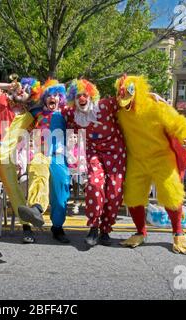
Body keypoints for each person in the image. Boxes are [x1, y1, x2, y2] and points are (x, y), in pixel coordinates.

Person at [115, 74, 186, 254]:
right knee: (133, 195)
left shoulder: (157, 107)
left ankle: (178, 233)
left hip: (162, 158)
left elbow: (178, 123)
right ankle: (140, 232)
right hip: (137, 159)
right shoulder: (120, 113)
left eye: (129, 98)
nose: (126, 103)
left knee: (171, 193)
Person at [0, 77, 42, 243]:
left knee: (14, 189)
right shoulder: (0, 98)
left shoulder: (30, 117)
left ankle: (27, 228)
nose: (22, 90)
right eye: (21, 87)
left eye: (27, 90)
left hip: (5, 157)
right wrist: (7, 86)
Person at [64, 79, 126, 247]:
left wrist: (149, 96)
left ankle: (106, 230)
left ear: (91, 95)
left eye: (85, 94)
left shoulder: (105, 106)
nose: (82, 98)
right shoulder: (72, 114)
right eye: (78, 96)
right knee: (93, 184)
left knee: (114, 191)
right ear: (73, 99)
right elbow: (51, 109)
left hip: (115, 153)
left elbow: (125, 100)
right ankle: (94, 227)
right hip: (93, 153)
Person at [18, 79, 71, 243]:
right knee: (37, 175)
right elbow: (22, 105)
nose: (53, 98)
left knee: (60, 186)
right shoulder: (36, 112)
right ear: (44, 98)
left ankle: (57, 227)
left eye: (56, 95)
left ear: (60, 98)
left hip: (58, 155)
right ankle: (36, 208)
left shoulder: (65, 113)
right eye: (49, 95)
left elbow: (83, 114)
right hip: (40, 153)